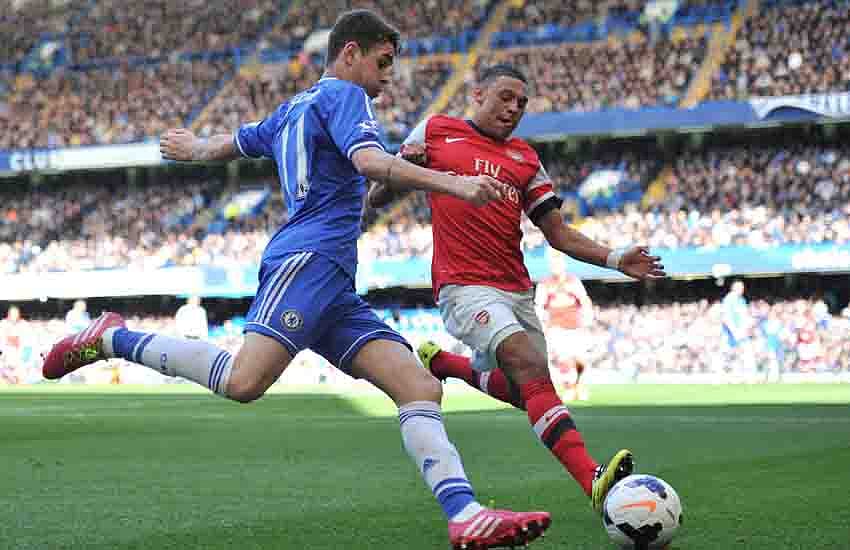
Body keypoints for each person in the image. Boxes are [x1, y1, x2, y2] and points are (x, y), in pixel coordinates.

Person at [40, 12, 550, 549]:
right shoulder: (346, 97)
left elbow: (233, 144)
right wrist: (453, 183)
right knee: (244, 382)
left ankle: (465, 514)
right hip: (307, 262)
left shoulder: (291, 109)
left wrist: (192, 147)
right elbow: (371, 162)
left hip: (333, 281)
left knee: (417, 385)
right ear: (350, 53)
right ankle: (110, 337)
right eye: (382, 63)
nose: (387, 77)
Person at [368, 64, 666, 514]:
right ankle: (593, 479)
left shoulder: (526, 159)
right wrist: (402, 172)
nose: (513, 108)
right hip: (463, 286)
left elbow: (559, 235)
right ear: (478, 93)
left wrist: (614, 258)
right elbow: (377, 196)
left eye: (522, 103)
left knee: (526, 389)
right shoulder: (435, 131)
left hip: (516, 290)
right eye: (505, 97)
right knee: (528, 365)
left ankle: (443, 363)